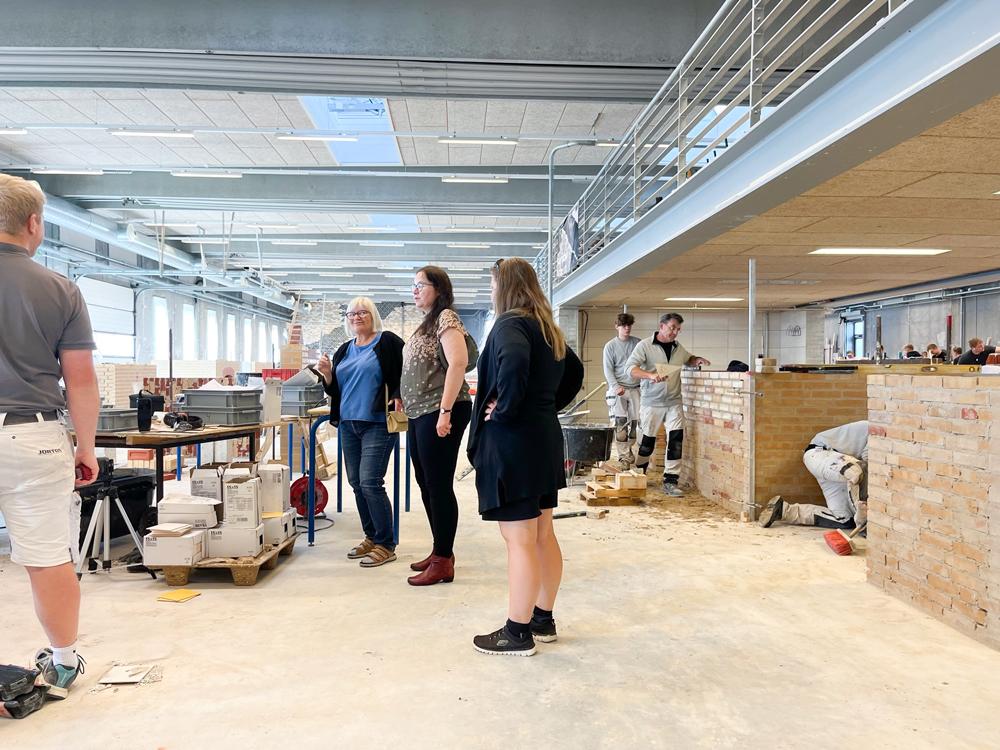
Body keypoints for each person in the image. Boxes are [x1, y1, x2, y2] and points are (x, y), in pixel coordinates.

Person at [0, 173, 99, 699]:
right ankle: (62, 663)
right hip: (32, 438)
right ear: (33, 223)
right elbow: (80, 381)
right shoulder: (61, 290)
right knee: (46, 557)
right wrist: (84, 446)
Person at [467, 257, 583, 656]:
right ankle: (542, 619)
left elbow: (514, 364)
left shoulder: (510, 324)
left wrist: (506, 409)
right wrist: (544, 405)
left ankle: (516, 634)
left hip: (516, 443)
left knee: (519, 540)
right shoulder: (546, 326)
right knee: (542, 534)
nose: (490, 290)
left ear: (505, 285)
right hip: (544, 439)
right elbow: (576, 373)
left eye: (492, 282)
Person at [401, 266, 474, 586]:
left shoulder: (446, 318)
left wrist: (445, 412)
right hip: (421, 412)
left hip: (441, 410)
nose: (415, 290)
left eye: (421, 285)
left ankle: (444, 560)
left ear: (438, 288)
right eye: (413, 285)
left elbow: (458, 362)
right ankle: (439, 550)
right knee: (426, 483)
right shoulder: (428, 321)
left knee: (438, 484)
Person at [317, 297, 404, 568]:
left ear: (373, 315)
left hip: (377, 422)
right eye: (352, 313)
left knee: (370, 481)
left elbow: (405, 373)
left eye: (363, 312)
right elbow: (335, 391)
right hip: (348, 423)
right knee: (356, 483)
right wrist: (328, 375)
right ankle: (372, 536)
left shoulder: (388, 342)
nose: (356, 317)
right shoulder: (343, 350)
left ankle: (387, 544)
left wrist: (400, 395)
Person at [626, 313, 710, 497]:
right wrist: (650, 375)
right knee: (647, 441)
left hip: (673, 401)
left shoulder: (678, 348)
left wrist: (696, 360)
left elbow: (688, 358)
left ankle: (671, 481)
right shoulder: (645, 346)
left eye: (678, 329)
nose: (675, 332)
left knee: (676, 440)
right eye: (672, 327)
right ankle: (639, 474)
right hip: (651, 402)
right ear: (662, 326)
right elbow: (630, 368)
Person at [759, 420, 868, 530]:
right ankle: (863, 516)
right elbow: (870, 463)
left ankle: (783, 511)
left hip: (836, 472)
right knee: (856, 472)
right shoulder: (877, 429)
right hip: (820, 455)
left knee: (845, 520)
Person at [602, 312, 641, 467]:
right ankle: (624, 457)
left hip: (635, 389)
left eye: (629, 325)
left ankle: (629, 451)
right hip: (618, 389)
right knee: (620, 424)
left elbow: (644, 364)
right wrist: (616, 386)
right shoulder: (610, 346)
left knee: (635, 425)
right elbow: (608, 369)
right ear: (617, 326)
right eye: (624, 326)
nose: (627, 328)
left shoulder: (638, 344)